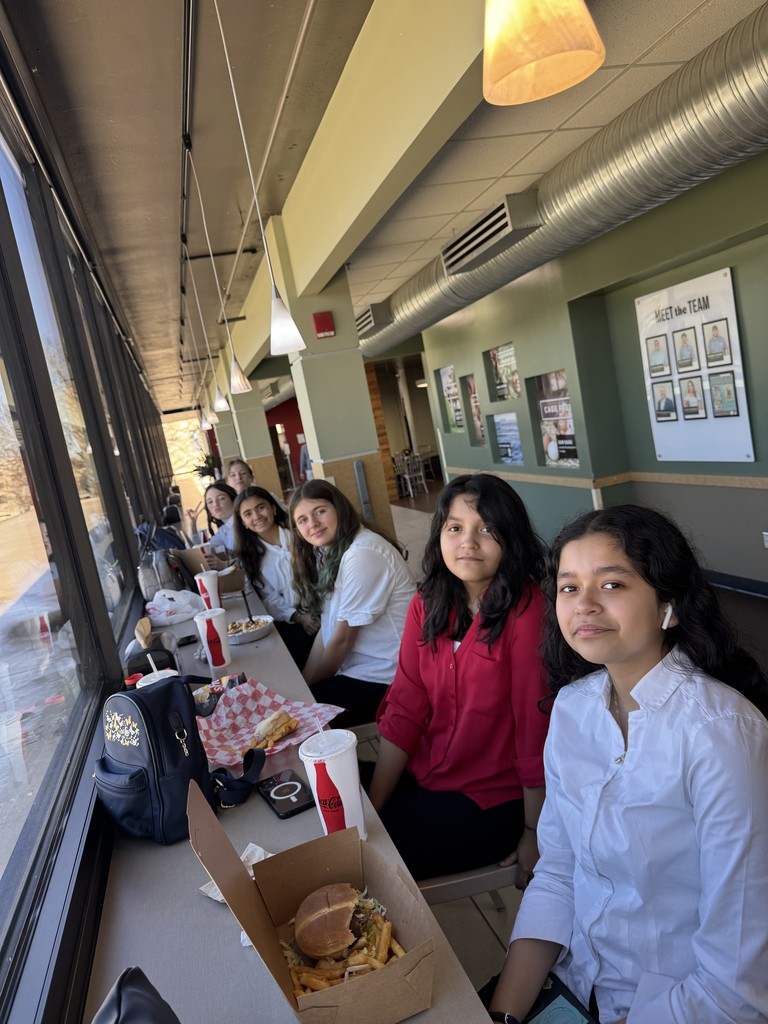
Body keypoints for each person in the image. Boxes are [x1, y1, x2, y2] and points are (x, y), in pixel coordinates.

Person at [487, 505, 768, 1024]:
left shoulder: (720, 735)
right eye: (569, 588)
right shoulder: (572, 709)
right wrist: (503, 1015)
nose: (584, 605)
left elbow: (735, 989)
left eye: (612, 584)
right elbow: (558, 873)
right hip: (577, 982)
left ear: (671, 605)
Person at [368, 474, 549, 881]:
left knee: (370, 865)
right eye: (456, 528)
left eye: (487, 529)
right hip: (427, 772)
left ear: (511, 539)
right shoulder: (428, 602)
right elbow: (406, 705)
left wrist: (536, 833)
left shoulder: (526, 610)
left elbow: (535, 730)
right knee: (336, 808)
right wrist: (373, 808)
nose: (468, 541)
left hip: (494, 798)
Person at [290, 480, 416, 727]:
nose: (312, 523)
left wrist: (303, 696)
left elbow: (342, 640)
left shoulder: (362, 552)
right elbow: (325, 633)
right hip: (363, 669)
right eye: (302, 520)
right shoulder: (333, 552)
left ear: (339, 508)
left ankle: (364, 767)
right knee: (298, 704)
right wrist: (303, 687)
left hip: (390, 678)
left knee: (302, 723)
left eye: (320, 511)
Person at [233, 486, 318, 669]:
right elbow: (269, 598)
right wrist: (299, 617)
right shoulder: (251, 557)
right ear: (243, 523)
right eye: (248, 514)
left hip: (324, 608)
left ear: (272, 508)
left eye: (260, 507)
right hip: (295, 618)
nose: (256, 516)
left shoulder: (300, 534)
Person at [186, 481, 237, 564]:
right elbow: (201, 551)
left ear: (233, 499)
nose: (215, 504)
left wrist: (224, 565)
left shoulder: (245, 524)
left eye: (221, 498)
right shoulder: (224, 530)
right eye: (210, 502)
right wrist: (192, 524)